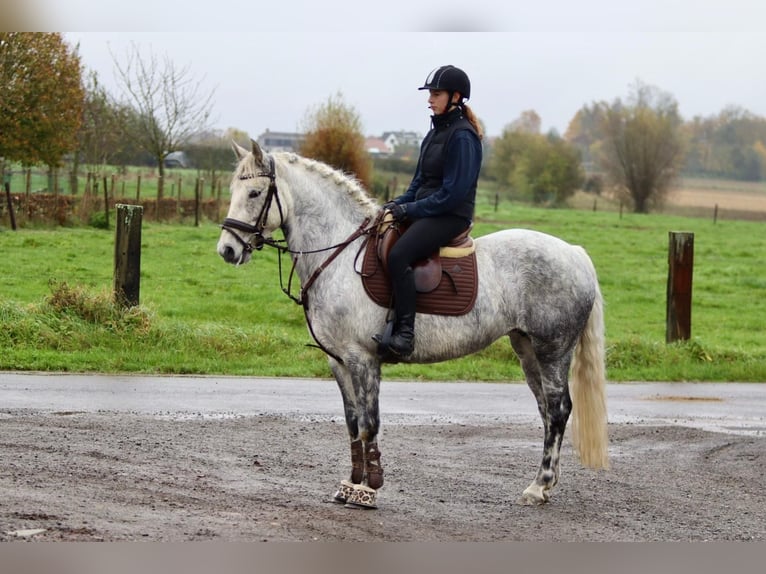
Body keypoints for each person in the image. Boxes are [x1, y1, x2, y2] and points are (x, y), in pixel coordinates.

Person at [374, 65, 484, 358]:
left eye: (436, 94)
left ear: (456, 97)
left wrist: (411, 209)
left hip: (450, 216)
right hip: (428, 210)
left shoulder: (462, 137)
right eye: (430, 94)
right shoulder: (435, 132)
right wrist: (397, 205)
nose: (430, 100)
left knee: (399, 254)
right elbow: (419, 182)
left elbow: (452, 194)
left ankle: (405, 335)